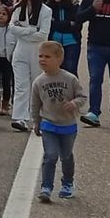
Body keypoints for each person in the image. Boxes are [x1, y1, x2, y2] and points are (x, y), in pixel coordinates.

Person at [31, 41, 87, 201]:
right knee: (50, 155)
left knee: (66, 155)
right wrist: (36, 122)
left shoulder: (70, 79)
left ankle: (67, 183)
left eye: (47, 56)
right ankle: (46, 187)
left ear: (59, 58)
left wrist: (74, 104)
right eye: (40, 56)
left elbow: (82, 97)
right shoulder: (39, 82)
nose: (42, 59)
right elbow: (35, 104)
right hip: (49, 124)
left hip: (68, 126)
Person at [8, 0, 53, 132]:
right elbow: (12, 28)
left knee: (36, 84)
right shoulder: (17, 9)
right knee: (21, 86)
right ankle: (20, 118)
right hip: (20, 51)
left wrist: (25, 31)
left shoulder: (46, 11)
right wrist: (31, 30)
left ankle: (37, 118)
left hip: (37, 52)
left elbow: (43, 35)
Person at [48, 0, 81, 75]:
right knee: (56, 70)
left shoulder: (74, 6)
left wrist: (57, 24)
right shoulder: (49, 8)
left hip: (72, 42)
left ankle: (74, 89)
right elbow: (50, 25)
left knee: (71, 69)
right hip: (55, 42)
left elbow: (77, 25)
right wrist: (67, 24)